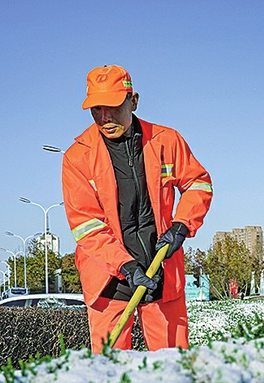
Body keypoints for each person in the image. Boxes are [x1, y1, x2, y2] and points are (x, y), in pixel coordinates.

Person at [61, 65, 213, 353]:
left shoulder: (167, 140)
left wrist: (182, 225)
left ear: (133, 101)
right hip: (110, 280)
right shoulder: (77, 158)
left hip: (162, 273)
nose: (104, 118)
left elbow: (198, 184)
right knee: (111, 375)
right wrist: (125, 266)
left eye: (113, 107)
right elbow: (86, 226)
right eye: (96, 109)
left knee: (173, 367)